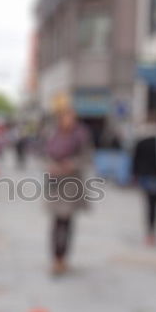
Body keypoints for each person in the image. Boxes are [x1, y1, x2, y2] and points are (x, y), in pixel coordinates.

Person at [46, 104, 93, 275]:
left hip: (72, 184)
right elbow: (44, 154)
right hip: (55, 183)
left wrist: (72, 164)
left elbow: (87, 157)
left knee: (67, 221)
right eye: (65, 117)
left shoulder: (81, 135)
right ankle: (56, 257)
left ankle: (63, 256)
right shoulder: (52, 134)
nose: (68, 121)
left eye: (71, 117)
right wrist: (51, 166)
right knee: (56, 221)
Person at [132, 110, 156, 246]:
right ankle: (153, 231)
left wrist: (134, 175)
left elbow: (135, 160)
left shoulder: (141, 140)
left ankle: (150, 231)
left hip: (146, 176)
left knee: (148, 204)